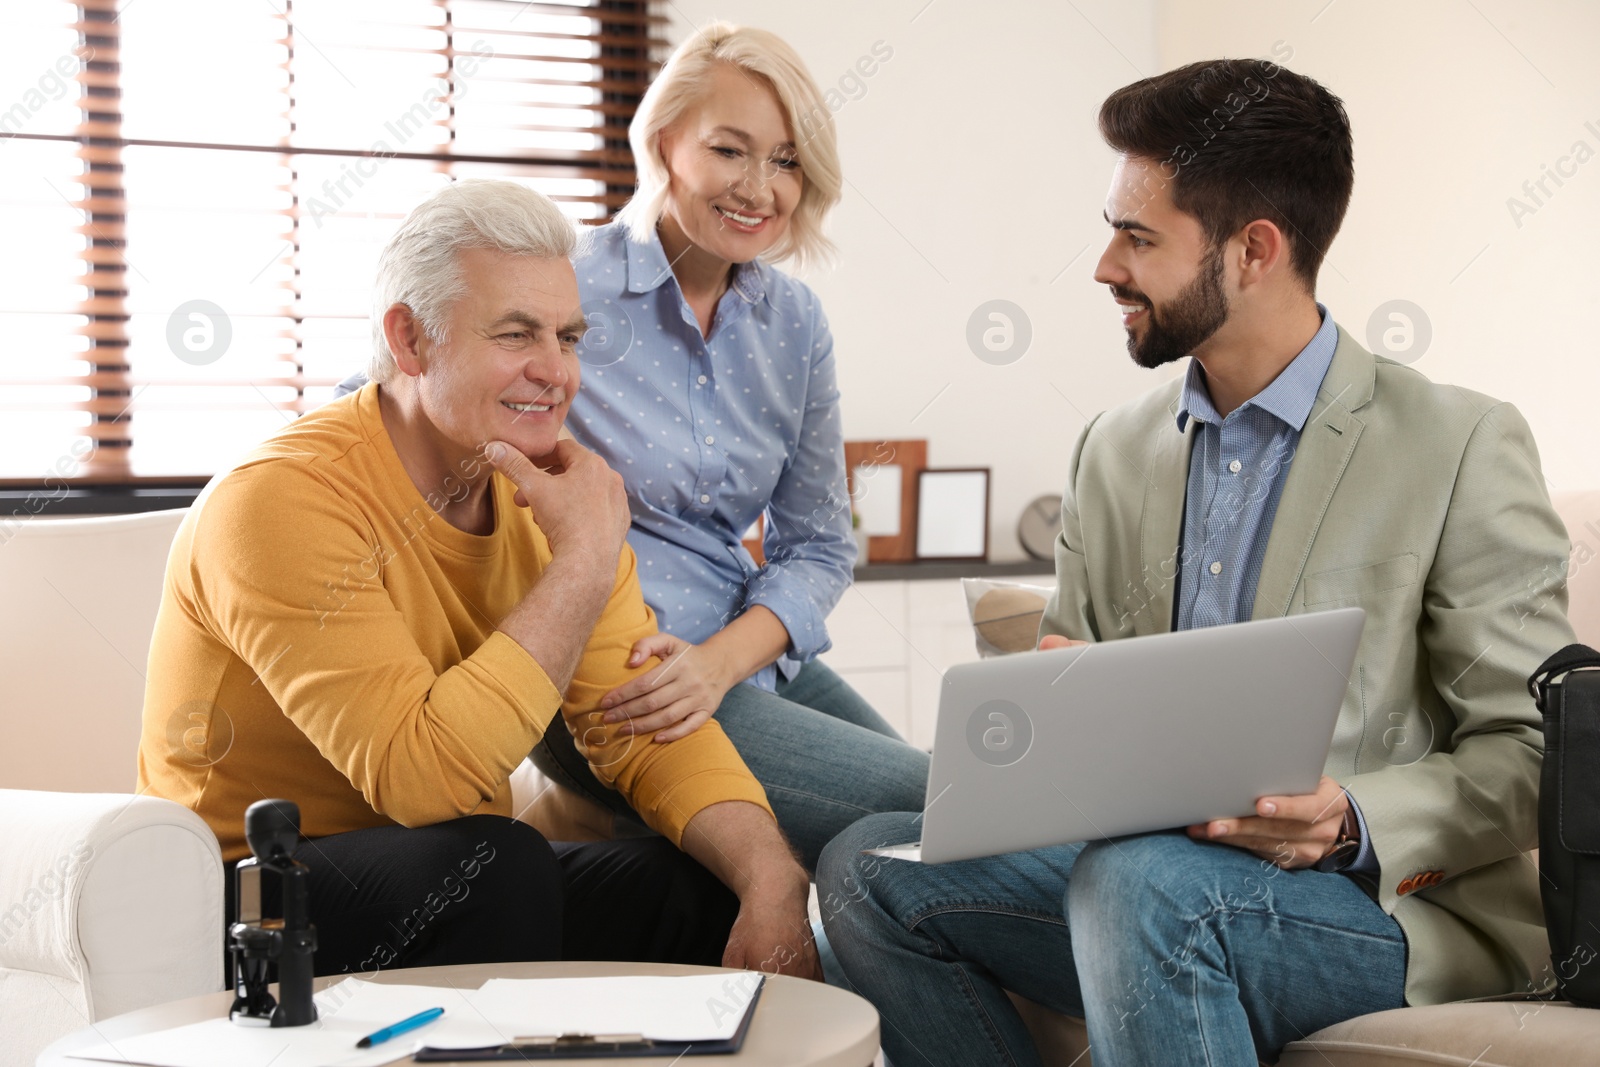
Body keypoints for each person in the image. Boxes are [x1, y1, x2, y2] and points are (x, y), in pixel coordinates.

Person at [817, 59, 1574, 1065]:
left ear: (1253, 250)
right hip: (1144, 871)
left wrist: (1351, 815)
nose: (1103, 265)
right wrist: (1054, 704)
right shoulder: (1114, 446)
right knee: (867, 866)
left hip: (1377, 907)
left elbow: (1532, 754)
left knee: (1138, 885)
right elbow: (1089, 696)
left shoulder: (1457, 442)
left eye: (1138, 237)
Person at [138, 179, 819, 980]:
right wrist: (582, 566)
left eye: (567, 336)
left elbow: (642, 724)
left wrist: (770, 877)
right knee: (496, 865)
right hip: (245, 896)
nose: (556, 372)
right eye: (515, 334)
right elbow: (419, 780)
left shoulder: (546, 496)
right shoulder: (281, 500)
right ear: (412, 340)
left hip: (448, 873)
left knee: (700, 889)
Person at [336, 22, 928, 873]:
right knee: (926, 806)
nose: (760, 187)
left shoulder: (794, 324)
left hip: (740, 655)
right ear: (664, 144)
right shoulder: (563, 285)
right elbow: (390, 391)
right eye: (731, 149)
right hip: (608, 670)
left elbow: (820, 544)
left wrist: (720, 663)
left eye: (788, 161)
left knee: (963, 809)